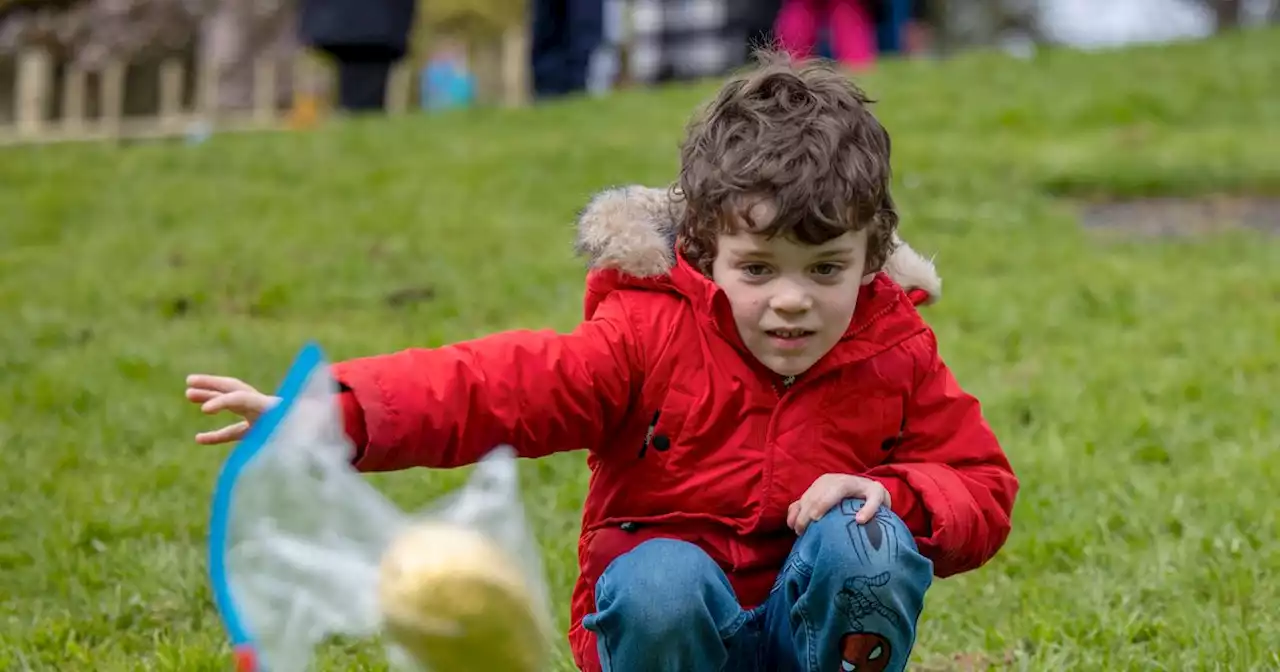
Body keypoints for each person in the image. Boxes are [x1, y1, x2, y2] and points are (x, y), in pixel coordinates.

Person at [185, 50, 1018, 672]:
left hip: (816, 634)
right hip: (672, 628)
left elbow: (983, 486)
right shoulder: (647, 333)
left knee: (862, 543)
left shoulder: (895, 345)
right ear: (703, 247)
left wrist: (895, 494)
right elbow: (497, 386)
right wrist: (335, 409)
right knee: (659, 578)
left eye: (825, 269)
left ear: (872, 258)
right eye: (758, 269)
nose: (792, 300)